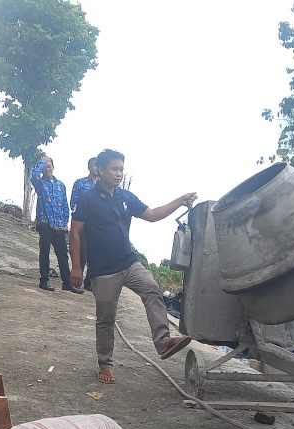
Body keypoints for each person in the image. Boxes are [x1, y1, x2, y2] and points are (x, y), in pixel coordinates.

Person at [69, 149, 196, 384]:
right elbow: (75, 232)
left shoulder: (126, 197)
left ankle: (163, 342)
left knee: (152, 288)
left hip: (128, 262)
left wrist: (180, 201)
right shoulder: (87, 199)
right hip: (103, 270)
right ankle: (105, 364)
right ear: (100, 170)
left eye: (121, 169)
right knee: (106, 319)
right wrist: (76, 267)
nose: (119, 173)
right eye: (114, 169)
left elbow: (152, 214)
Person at [31, 156, 83, 293]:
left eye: (49, 166)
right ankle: (44, 280)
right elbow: (34, 175)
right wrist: (42, 161)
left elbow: (65, 205)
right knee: (44, 252)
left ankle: (67, 283)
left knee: (62, 254)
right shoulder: (39, 184)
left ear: (53, 167)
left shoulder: (61, 185)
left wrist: (65, 222)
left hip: (59, 225)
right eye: (44, 167)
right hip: (45, 222)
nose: (47, 169)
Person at [70, 157, 99, 290]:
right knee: (81, 251)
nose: (97, 168)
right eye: (94, 165)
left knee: (95, 253)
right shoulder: (80, 183)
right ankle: (77, 281)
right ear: (89, 167)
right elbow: (73, 202)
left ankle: (90, 282)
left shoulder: (103, 185)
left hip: (98, 226)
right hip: (82, 223)